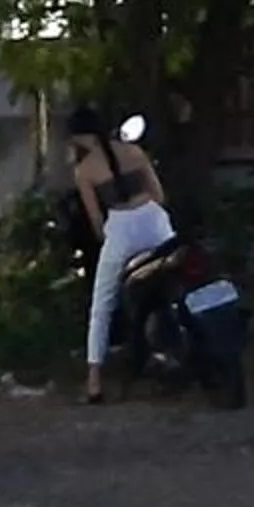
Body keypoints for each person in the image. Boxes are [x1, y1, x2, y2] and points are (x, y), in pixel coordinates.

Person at [69, 105, 171, 405]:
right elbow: (160, 195)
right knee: (179, 280)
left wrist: (110, 240)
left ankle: (94, 381)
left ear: (78, 137)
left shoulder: (85, 169)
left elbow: (96, 220)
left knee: (102, 303)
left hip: (122, 227)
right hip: (155, 221)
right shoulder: (134, 151)